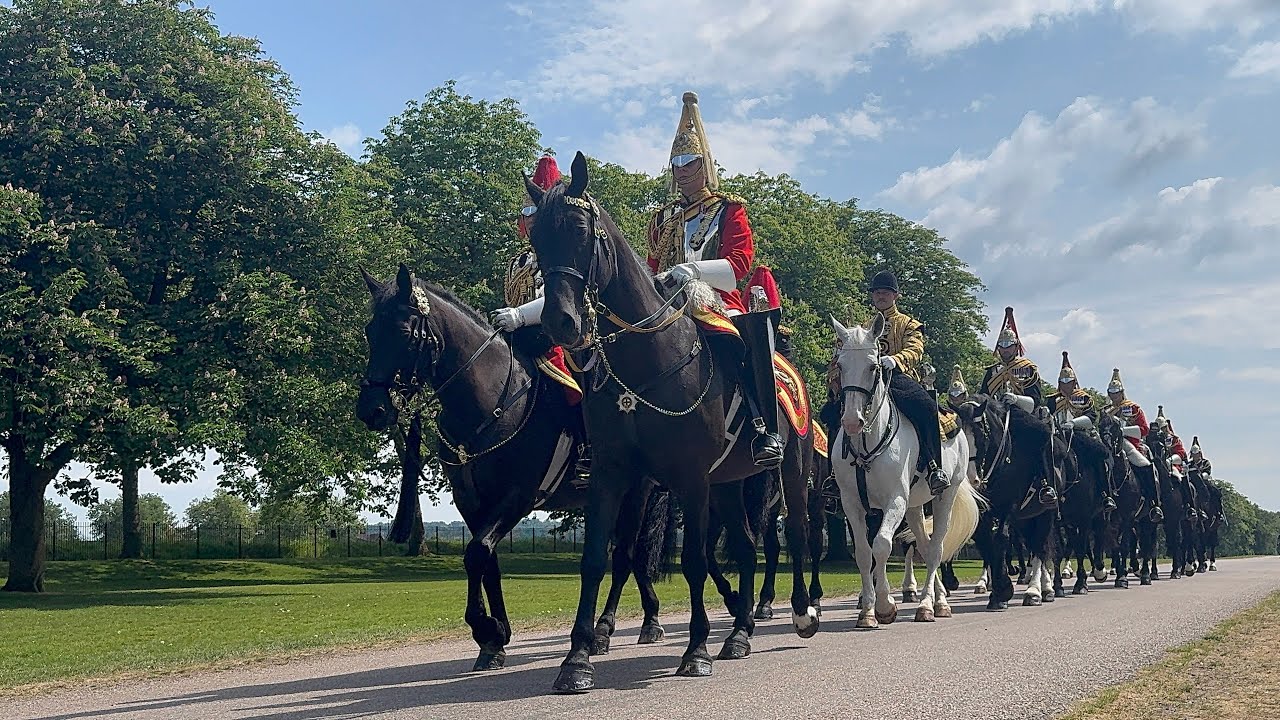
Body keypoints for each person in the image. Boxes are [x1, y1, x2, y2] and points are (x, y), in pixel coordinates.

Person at [646, 92, 782, 468]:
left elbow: (738, 265)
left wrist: (694, 271)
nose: (682, 169)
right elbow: (651, 264)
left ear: (704, 164)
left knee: (746, 341)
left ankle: (764, 428)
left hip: (716, 300)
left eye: (689, 161)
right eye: (676, 162)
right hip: (666, 302)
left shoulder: (729, 209)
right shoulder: (662, 219)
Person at [490, 155, 590, 483]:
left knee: (576, 385)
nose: (530, 218)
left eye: (537, 211)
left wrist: (519, 316)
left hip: (559, 337)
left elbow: (560, 295)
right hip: (521, 337)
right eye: (527, 211)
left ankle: (587, 448)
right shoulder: (519, 259)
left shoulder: (562, 250)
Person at [858, 270, 949, 495]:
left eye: (885, 292)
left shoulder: (908, 323)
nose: (880, 296)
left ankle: (933, 466)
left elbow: (916, 349)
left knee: (927, 408)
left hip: (897, 378)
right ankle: (833, 476)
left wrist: (896, 360)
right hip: (866, 380)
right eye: (877, 292)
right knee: (833, 411)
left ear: (895, 295)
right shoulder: (862, 327)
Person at [1050, 351, 1116, 510]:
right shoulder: (1052, 399)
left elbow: (1091, 417)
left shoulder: (1085, 398)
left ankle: (1105, 494)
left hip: (1080, 435)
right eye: (1063, 381)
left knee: (1100, 455)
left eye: (1069, 381)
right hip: (1058, 436)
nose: (1066, 385)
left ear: (1074, 383)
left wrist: (1073, 423)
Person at [978, 307, 1043, 411]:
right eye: (1002, 345)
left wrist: (1017, 399)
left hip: (1022, 413)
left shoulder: (1027, 368)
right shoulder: (993, 371)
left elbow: (1035, 400)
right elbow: (983, 396)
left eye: (1009, 345)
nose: (1005, 349)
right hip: (996, 414)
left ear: (1016, 347)